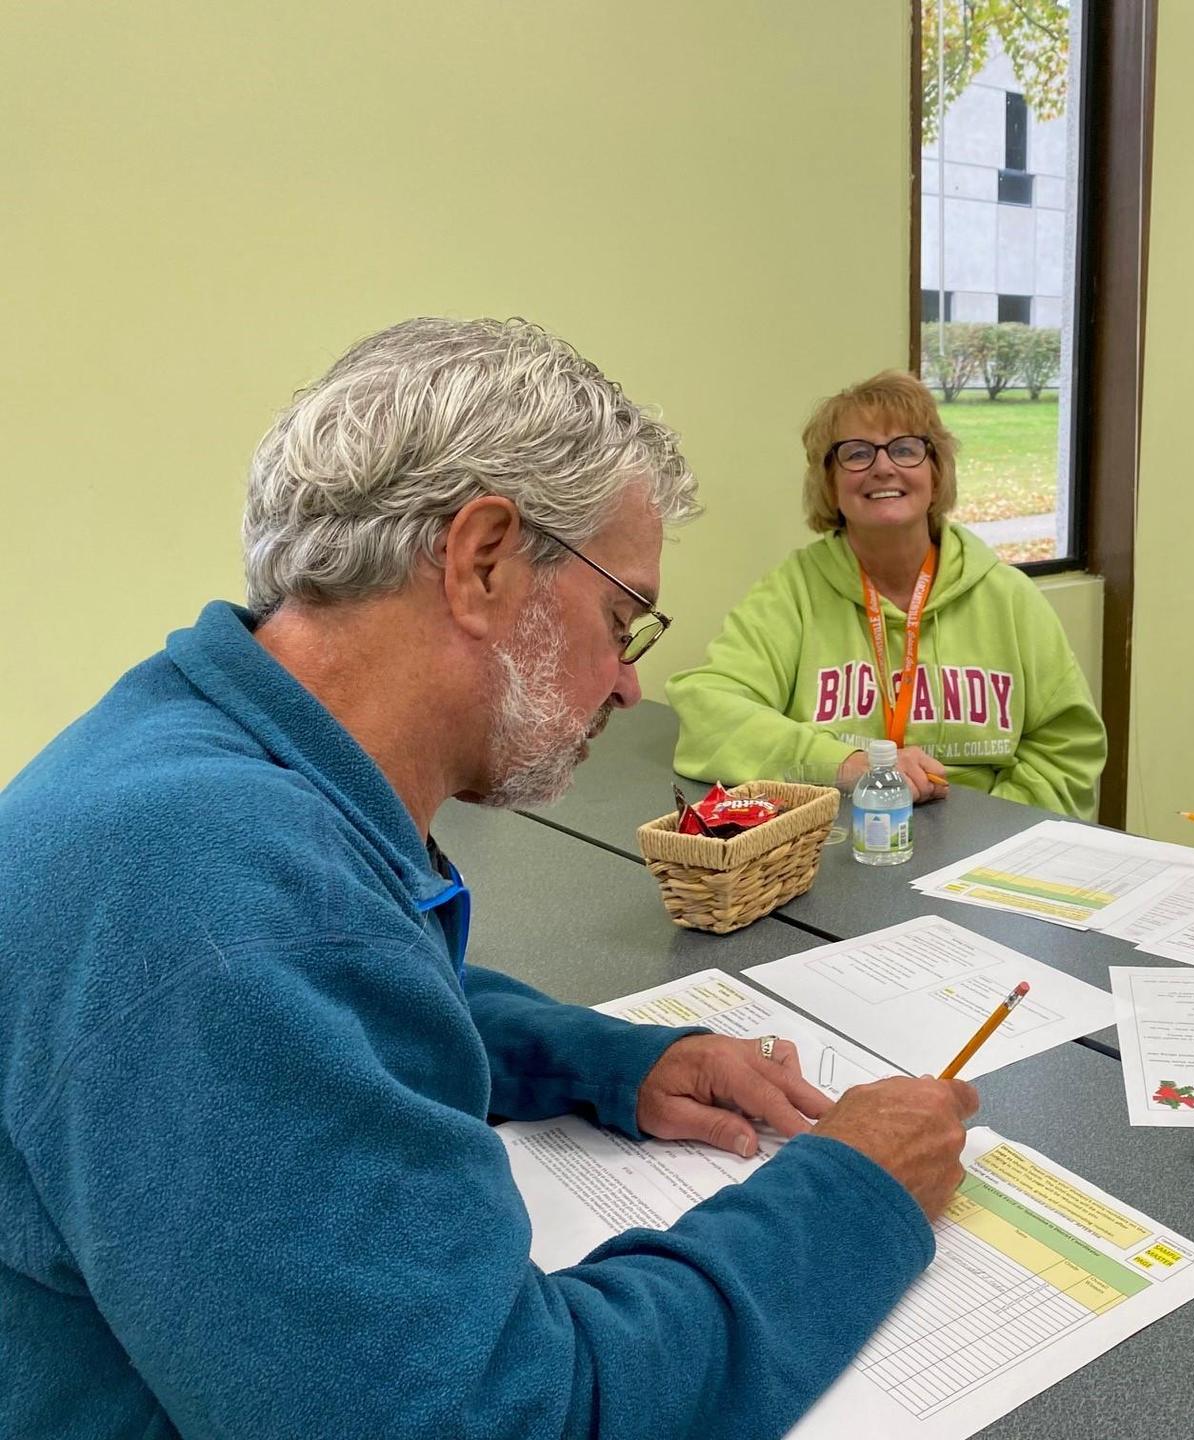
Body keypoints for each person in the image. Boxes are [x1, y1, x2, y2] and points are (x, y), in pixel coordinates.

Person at [0, 319, 978, 1440]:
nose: (624, 686)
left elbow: (356, 1002)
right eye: (623, 620)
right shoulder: (224, 904)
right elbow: (503, 1419)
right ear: (482, 560)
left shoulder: (198, 760)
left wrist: (609, 1060)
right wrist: (856, 1193)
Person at [667, 370, 1106, 820]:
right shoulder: (793, 593)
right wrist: (846, 765)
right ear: (829, 482)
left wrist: (985, 832)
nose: (883, 466)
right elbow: (709, 712)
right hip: (842, 843)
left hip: (986, 845)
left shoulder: (1010, 598)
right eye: (856, 453)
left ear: (935, 471)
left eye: (905, 449)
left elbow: (1067, 748)